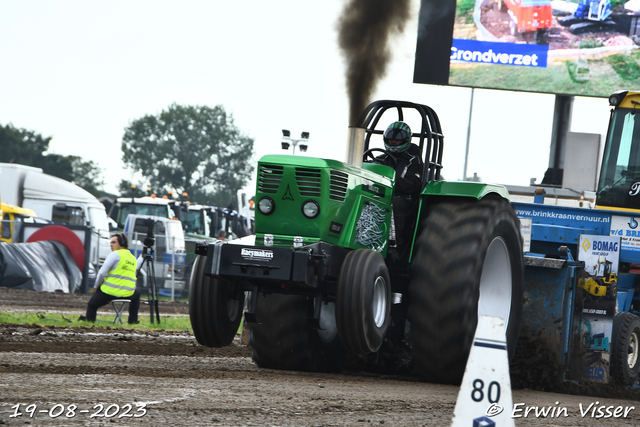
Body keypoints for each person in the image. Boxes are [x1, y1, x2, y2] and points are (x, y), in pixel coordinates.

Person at [374, 121, 423, 254]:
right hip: (378, 194)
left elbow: (413, 184)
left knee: (393, 203)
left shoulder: (414, 161)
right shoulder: (378, 159)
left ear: (405, 141)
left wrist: (388, 181)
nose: (393, 142)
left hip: (403, 199)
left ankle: (394, 246)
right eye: (391, 139)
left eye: (397, 140)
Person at [80, 233, 142, 324]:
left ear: (122, 243)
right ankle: (132, 321)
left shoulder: (115, 254)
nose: (111, 245)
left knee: (92, 305)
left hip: (110, 292)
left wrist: (96, 286)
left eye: (113, 242)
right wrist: (142, 257)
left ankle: (90, 323)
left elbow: (102, 273)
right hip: (128, 293)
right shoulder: (132, 258)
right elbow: (136, 267)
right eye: (110, 243)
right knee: (137, 295)